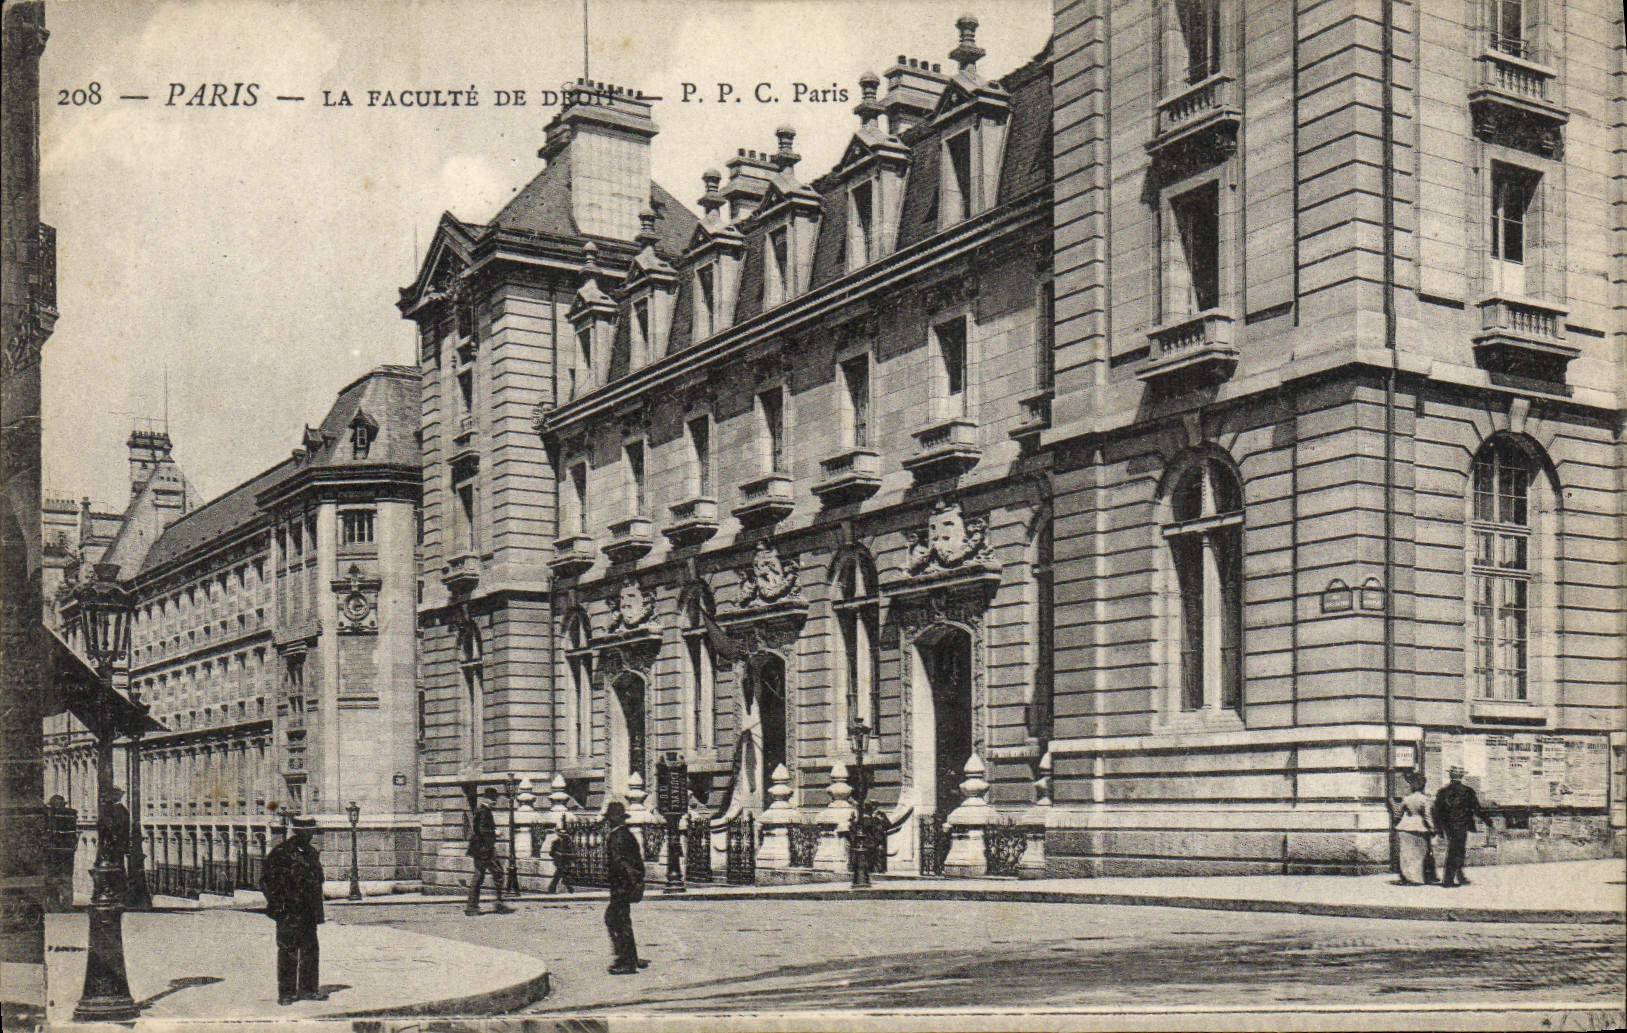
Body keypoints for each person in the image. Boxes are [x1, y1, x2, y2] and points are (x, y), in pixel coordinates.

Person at [262, 815, 326, 1006]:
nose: (311, 835)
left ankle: (308, 990)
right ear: (298, 832)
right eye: (308, 832)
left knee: (310, 951)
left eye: (312, 832)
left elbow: (316, 883)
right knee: (288, 951)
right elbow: (266, 881)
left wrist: (317, 911)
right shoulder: (281, 852)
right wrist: (277, 905)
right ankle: (287, 993)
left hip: (308, 911)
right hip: (288, 910)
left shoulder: (312, 853)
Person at [1431, 765, 1497, 888]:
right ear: (1461, 776)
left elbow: (1436, 811)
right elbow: (1476, 809)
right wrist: (1488, 821)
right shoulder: (1467, 791)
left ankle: (1460, 876)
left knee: (1456, 849)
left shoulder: (1442, 792)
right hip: (1461, 825)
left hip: (1448, 826)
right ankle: (1448, 880)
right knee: (1456, 851)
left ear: (1450, 776)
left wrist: (1439, 828)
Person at [604, 801, 648, 974]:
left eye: (610, 818)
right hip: (626, 885)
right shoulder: (626, 834)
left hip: (621, 887)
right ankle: (631, 958)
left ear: (614, 819)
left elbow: (620, 863)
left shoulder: (618, 837)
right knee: (621, 921)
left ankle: (626, 962)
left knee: (615, 920)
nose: (608, 821)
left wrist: (623, 887)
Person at [465, 786, 509, 915]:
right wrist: (495, 832)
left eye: (495, 799)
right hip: (484, 849)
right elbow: (482, 830)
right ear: (487, 799)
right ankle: (491, 904)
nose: (494, 802)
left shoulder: (481, 810)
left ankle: (475, 906)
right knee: (491, 874)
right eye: (493, 799)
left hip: (481, 848)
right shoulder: (484, 811)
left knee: (489, 874)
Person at [1394, 771, 1435, 885]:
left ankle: (1407, 877)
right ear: (1423, 785)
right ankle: (1417, 878)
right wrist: (1432, 828)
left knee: (1406, 855)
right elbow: (1427, 816)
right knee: (1419, 855)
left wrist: (1397, 822)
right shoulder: (1425, 799)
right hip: (1420, 828)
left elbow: (1398, 813)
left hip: (1405, 827)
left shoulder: (1406, 798)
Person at [546, 829, 575, 894]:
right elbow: (551, 853)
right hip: (558, 861)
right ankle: (569, 888)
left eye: (564, 836)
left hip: (565, 861)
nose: (563, 837)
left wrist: (569, 858)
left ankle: (552, 890)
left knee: (558, 875)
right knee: (560, 875)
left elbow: (571, 852)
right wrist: (557, 854)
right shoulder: (555, 842)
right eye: (561, 835)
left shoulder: (568, 843)